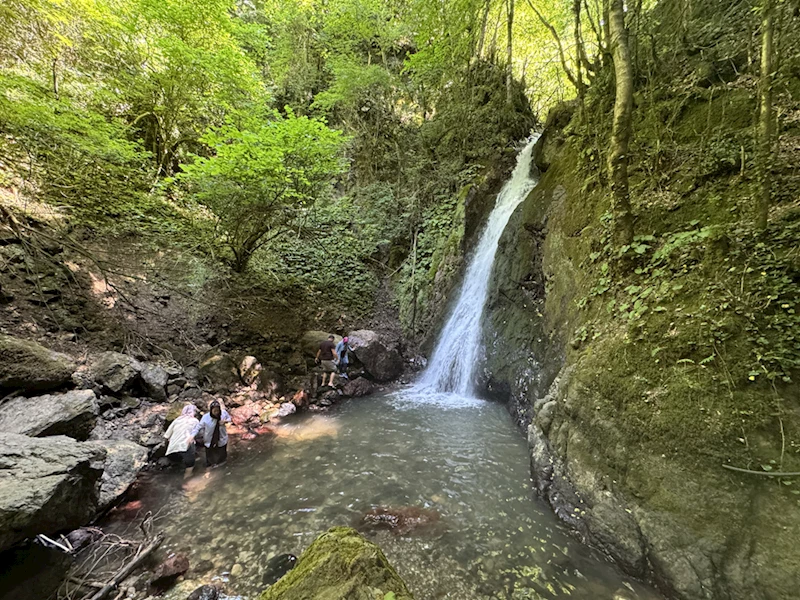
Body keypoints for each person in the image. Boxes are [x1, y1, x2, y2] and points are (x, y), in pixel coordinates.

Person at [163, 404, 199, 478]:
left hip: (172, 450)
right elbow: (199, 435)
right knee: (190, 464)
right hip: (185, 447)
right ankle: (187, 476)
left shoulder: (177, 420)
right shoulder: (195, 421)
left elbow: (166, 436)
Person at [196, 400, 231, 467]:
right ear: (211, 410)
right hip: (210, 439)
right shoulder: (206, 417)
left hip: (222, 439)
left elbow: (229, 418)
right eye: (214, 411)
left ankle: (221, 467)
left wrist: (225, 421)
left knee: (222, 458)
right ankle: (209, 469)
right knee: (209, 459)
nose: (216, 412)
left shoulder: (223, 413)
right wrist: (192, 436)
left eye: (217, 410)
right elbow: (198, 427)